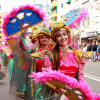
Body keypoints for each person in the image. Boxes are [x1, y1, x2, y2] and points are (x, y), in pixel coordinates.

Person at [41, 22, 85, 99]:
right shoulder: (51, 55)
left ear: (67, 35)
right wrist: (56, 88)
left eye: (64, 34)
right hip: (57, 93)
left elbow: (80, 74)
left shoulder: (77, 54)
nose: (63, 38)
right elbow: (46, 76)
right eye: (59, 36)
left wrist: (83, 88)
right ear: (55, 39)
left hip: (74, 92)